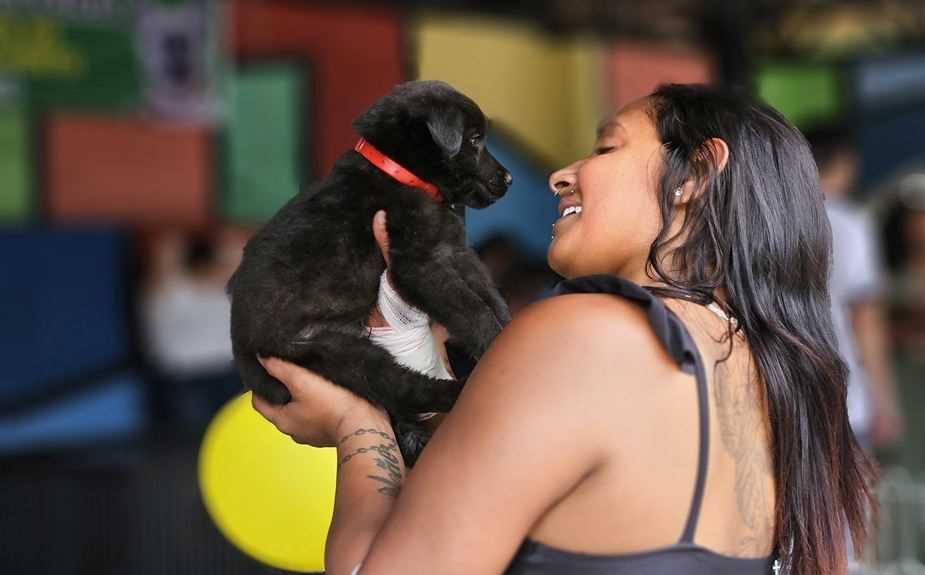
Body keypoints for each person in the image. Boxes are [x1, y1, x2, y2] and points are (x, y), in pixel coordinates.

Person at [252, 84, 874, 575]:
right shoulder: (763, 367)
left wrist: (356, 423)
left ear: (695, 176)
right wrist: (412, 355)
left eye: (606, 149)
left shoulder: (588, 331)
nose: (561, 175)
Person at [804, 121, 903, 449]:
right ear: (844, 161)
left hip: (793, 398)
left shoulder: (776, 218)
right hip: (847, 396)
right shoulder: (851, 222)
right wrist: (884, 399)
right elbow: (866, 319)